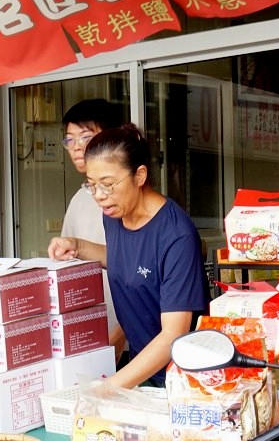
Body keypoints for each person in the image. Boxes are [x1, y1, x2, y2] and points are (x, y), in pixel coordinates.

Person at [48, 124, 209, 388]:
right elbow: (128, 263)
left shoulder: (176, 235)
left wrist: (110, 387)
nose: (99, 196)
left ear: (140, 175)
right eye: (92, 185)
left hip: (189, 381)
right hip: (144, 372)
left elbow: (173, 335)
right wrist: (76, 245)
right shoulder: (114, 216)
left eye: (108, 185)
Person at [59, 99, 127, 358]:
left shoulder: (126, 198)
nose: (76, 147)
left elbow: (143, 271)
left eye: (85, 137)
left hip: (132, 337)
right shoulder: (79, 199)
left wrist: (121, 334)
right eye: (69, 140)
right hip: (94, 338)